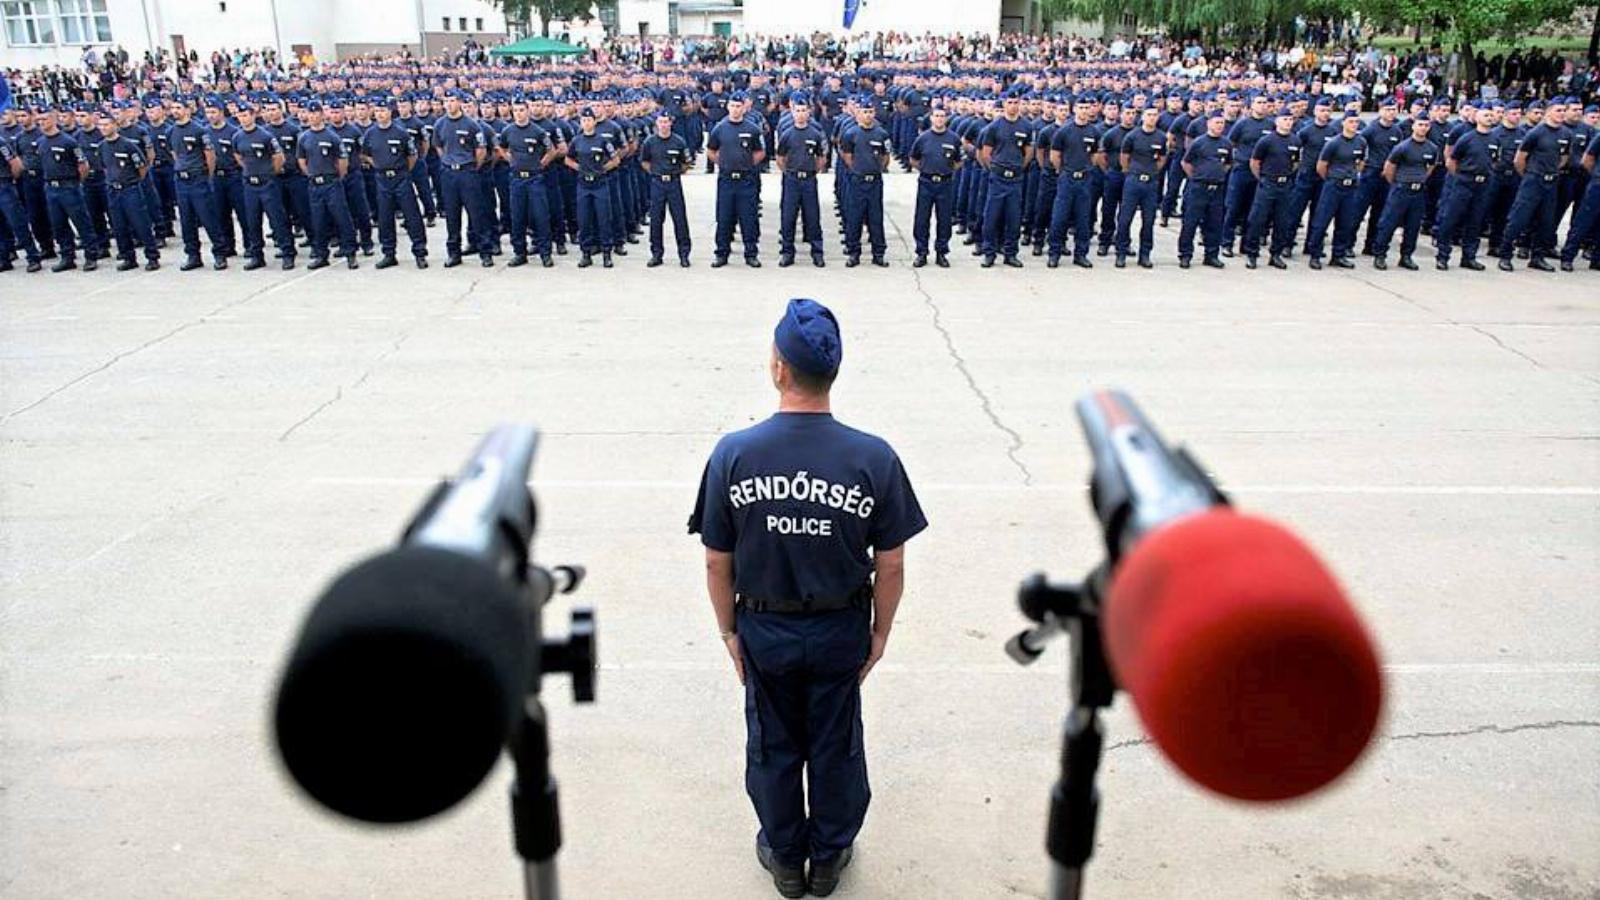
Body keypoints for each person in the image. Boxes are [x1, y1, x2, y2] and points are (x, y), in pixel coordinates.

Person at [689, 298, 927, 900]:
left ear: (778, 369)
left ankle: (787, 859)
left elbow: (719, 560)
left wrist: (728, 631)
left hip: (765, 626)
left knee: (772, 741)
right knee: (834, 741)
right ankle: (829, 854)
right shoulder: (873, 457)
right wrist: (880, 632)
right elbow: (891, 562)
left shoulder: (733, 454)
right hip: (840, 625)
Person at [1498, 98, 1569, 271]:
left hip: (1551, 181)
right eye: (1558, 110)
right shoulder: (1536, 133)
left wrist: (1550, 172)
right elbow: (1519, 159)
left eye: (1563, 110)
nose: (1562, 114)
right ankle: (1505, 255)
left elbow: (1564, 158)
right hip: (1533, 180)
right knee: (1518, 219)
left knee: (1546, 221)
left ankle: (1537, 257)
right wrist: (1530, 175)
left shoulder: (1566, 134)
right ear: (1549, 111)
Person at [363, 100, 429, 270]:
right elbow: (366, 155)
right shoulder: (370, 134)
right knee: (385, 218)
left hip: (401, 178)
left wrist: (402, 171)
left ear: (390, 112)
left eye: (383, 110)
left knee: (412, 216)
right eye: (377, 110)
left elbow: (412, 156)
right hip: (382, 179)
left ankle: (420, 252)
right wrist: (378, 165)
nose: (380, 114)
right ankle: (389, 253)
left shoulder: (401, 133)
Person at [36, 105, 102, 271]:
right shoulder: (41, 142)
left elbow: (83, 165)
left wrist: (75, 182)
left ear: (53, 119)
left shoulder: (68, 141)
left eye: (44, 119)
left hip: (69, 186)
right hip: (51, 187)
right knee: (58, 224)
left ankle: (91, 255)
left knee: (81, 222)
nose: (41, 123)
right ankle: (67, 256)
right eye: (39, 120)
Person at [294, 100, 359, 270]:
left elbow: (343, 160)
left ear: (323, 115)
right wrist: (310, 174)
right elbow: (301, 160)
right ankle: (321, 254)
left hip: (332, 183)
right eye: (310, 113)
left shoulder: (332, 137)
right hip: (314, 184)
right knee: (318, 221)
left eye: (317, 113)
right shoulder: (304, 137)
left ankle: (350, 252)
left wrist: (338, 176)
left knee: (342, 218)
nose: (313, 117)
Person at [1433, 104, 1498, 271]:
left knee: (1475, 221)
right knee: (1451, 219)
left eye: (1491, 115)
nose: (1489, 118)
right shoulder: (1467, 138)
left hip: (1483, 185)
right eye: (1485, 115)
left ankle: (1469, 257)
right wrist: (1460, 178)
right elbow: (1452, 160)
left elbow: (1495, 161)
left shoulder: (1495, 139)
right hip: (1464, 182)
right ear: (1477, 118)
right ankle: (1443, 256)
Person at [433, 91, 493, 268]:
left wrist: (471, 166)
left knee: (476, 214)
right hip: (449, 174)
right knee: (452, 215)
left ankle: (485, 252)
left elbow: (480, 150)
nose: (449, 104)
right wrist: (449, 162)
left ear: (459, 102)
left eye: (453, 100)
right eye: (447, 101)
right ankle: (454, 253)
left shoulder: (471, 125)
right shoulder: (440, 124)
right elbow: (438, 147)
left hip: (468, 172)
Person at [230, 102, 293, 271]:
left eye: (245, 115)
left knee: (278, 219)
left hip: (267, 183)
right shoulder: (237, 136)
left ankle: (287, 253)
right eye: (240, 116)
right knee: (252, 221)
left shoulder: (265, 135)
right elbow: (238, 156)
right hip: (250, 184)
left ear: (253, 115)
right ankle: (257, 255)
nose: (243, 119)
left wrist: (270, 172)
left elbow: (279, 157)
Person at [166, 98, 226, 270]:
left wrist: (207, 176)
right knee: (186, 220)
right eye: (172, 108)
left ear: (188, 110)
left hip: (198, 179)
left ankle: (220, 253)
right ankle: (193, 255)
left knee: (208, 218)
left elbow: (210, 156)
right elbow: (175, 154)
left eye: (178, 107)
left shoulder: (200, 130)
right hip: (181, 180)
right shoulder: (171, 131)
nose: (175, 111)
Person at [1370, 116, 1438, 270]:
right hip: (1401, 189)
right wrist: (1398, 183)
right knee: (1388, 223)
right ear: (1413, 126)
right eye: (1420, 124)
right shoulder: (1403, 147)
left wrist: (1419, 180)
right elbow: (1389, 168)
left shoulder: (1432, 148)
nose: (1423, 128)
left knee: (1413, 225)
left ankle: (1406, 256)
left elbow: (1430, 167)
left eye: (1426, 125)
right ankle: (1380, 254)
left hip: (1418, 191)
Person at [706, 91, 764, 267]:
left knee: (749, 218)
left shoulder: (752, 129)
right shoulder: (719, 128)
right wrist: (724, 163)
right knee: (724, 217)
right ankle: (722, 254)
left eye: (739, 106)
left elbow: (760, 152)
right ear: (728, 107)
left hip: (746, 180)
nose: (735, 109)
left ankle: (751, 253)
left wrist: (745, 164)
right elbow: (711, 151)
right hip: (726, 179)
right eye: (732, 106)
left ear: (744, 108)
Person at [1303, 112, 1368, 270]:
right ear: (1343, 123)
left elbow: (1360, 163)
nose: (1354, 125)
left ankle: (1338, 255)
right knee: (1322, 221)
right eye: (1351, 121)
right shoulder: (1334, 143)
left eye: (1356, 122)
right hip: (1333, 185)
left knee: (1345, 222)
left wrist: (1352, 176)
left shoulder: (1361, 142)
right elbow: (1321, 165)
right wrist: (1333, 178)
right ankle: (1315, 254)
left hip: (1350, 187)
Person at [95, 110, 159, 270]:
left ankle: (152, 256)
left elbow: (142, 168)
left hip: (130, 189)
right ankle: (128, 257)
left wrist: (132, 182)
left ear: (115, 126)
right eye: (100, 125)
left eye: (106, 124)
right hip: (112, 190)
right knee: (119, 225)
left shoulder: (128, 145)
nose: (103, 128)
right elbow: (104, 167)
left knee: (140, 223)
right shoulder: (102, 146)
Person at [978, 90, 1032, 268]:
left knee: (1014, 218)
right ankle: (989, 252)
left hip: (1015, 179)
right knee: (992, 217)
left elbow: (1028, 151)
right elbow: (986, 153)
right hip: (998, 178)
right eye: (1009, 102)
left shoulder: (1026, 126)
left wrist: (1019, 167)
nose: (1013, 105)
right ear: (1004, 104)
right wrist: (995, 169)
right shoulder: (994, 127)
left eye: (1016, 102)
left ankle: (1010, 253)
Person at [1046, 96, 1101, 269]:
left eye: (1087, 107)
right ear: (1074, 109)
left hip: (1084, 179)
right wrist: (1063, 170)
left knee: (1083, 219)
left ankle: (1080, 254)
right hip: (1067, 178)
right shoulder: (1064, 131)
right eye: (1081, 107)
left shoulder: (1094, 132)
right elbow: (1055, 156)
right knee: (1059, 217)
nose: (1084, 111)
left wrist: (1086, 169)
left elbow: (1094, 156)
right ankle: (1054, 253)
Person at [1241, 109, 1300, 269]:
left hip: (1285, 185)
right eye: (1285, 119)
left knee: (1282, 221)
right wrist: (1263, 179)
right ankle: (1252, 254)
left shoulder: (1295, 141)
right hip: (1268, 183)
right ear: (1277, 121)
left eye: (1290, 119)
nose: (1288, 122)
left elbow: (1295, 163)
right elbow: (1254, 162)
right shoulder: (1266, 140)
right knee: (1257, 220)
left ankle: (1276, 254)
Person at [773, 94, 827, 268]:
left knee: (812, 217)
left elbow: (821, 158)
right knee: (788, 217)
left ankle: (817, 252)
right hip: (792, 180)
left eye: (804, 110)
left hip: (809, 180)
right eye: (798, 110)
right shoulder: (787, 134)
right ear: (793, 112)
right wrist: (790, 173)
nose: (801, 114)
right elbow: (780, 158)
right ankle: (787, 253)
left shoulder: (815, 133)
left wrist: (812, 171)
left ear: (809, 112)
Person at [565, 105, 619, 269]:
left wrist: (603, 169)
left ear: (595, 122)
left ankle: (606, 254)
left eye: (589, 120)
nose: (586, 123)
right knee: (584, 219)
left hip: (599, 184)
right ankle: (586, 254)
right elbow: (568, 159)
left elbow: (615, 160)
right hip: (583, 185)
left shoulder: (603, 140)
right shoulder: (577, 140)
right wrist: (579, 168)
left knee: (603, 219)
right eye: (584, 120)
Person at [1176, 112, 1233, 269]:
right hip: (1198, 188)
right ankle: (1185, 255)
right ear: (1209, 124)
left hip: (1217, 189)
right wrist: (1197, 177)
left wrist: (1217, 175)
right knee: (1190, 222)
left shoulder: (1226, 143)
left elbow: (1227, 164)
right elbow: (1186, 163)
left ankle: (1211, 255)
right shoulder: (1199, 142)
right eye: (1216, 123)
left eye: (1222, 123)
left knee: (1215, 223)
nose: (1219, 126)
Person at [908, 105, 962, 268]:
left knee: (944, 220)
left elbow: (959, 160)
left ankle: (941, 252)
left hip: (945, 183)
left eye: (942, 116)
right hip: (926, 182)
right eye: (936, 115)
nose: (939, 118)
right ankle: (921, 252)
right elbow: (913, 159)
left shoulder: (953, 139)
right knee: (922, 219)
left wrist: (946, 171)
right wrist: (925, 170)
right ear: (931, 118)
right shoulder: (923, 138)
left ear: (946, 118)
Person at [839, 100, 890, 267]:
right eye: (864, 112)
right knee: (855, 217)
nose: (867, 115)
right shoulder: (850, 133)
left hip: (874, 181)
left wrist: (876, 169)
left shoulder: (881, 134)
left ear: (874, 113)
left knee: (876, 218)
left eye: (870, 112)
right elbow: (846, 155)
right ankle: (854, 253)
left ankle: (878, 253)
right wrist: (856, 169)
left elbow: (885, 157)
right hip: (857, 181)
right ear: (858, 114)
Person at [1115, 106, 1166, 268]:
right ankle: (1121, 252)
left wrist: (1152, 172)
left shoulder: (1161, 137)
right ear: (1143, 116)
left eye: (1154, 115)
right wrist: (1130, 172)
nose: (1152, 118)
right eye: (1149, 114)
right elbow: (1124, 158)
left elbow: (1162, 159)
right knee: (1125, 218)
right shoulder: (1132, 136)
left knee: (1149, 220)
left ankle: (1145, 254)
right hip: (1133, 181)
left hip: (1151, 182)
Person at [640, 110, 692, 267]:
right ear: (657, 123)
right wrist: (656, 173)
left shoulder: (679, 141)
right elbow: (644, 161)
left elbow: (686, 162)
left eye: (666, 122)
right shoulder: (649, 142)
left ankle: (684, 254)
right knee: (656, 219)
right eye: (660, 122)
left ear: (671, 123)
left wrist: (675, 173)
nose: (663, 125)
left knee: (679, 219)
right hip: (657, 183)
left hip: (674, 183)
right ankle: (656, 254)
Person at [0, 129, 44, 272]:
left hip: (4, 185)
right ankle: (4, 258)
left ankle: (32, 257)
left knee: (17, 223)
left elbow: (16, 164)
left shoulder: (1, 142)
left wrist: (9, 180)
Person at [1558, 129, 1600, 271]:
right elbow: (1587, 159)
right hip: (1597, 186)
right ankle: (1568, 257)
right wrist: (1595, 176)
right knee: (1583, 222)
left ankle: (1597, 260)